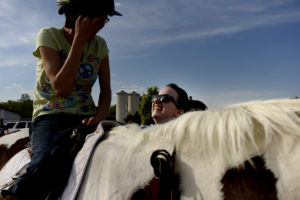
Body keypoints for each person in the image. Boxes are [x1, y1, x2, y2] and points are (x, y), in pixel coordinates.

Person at [0, 0, 121, 199]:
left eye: (105, 19)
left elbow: (106, 91)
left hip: (87, 117)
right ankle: (13, 195)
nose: (102, 24)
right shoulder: (48, 36)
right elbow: (61, 88)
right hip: (50, 116)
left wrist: (99, 118)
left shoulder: (100, 45)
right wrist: (79, 39)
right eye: (99, 19)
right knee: (44, 161)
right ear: (75, 16)